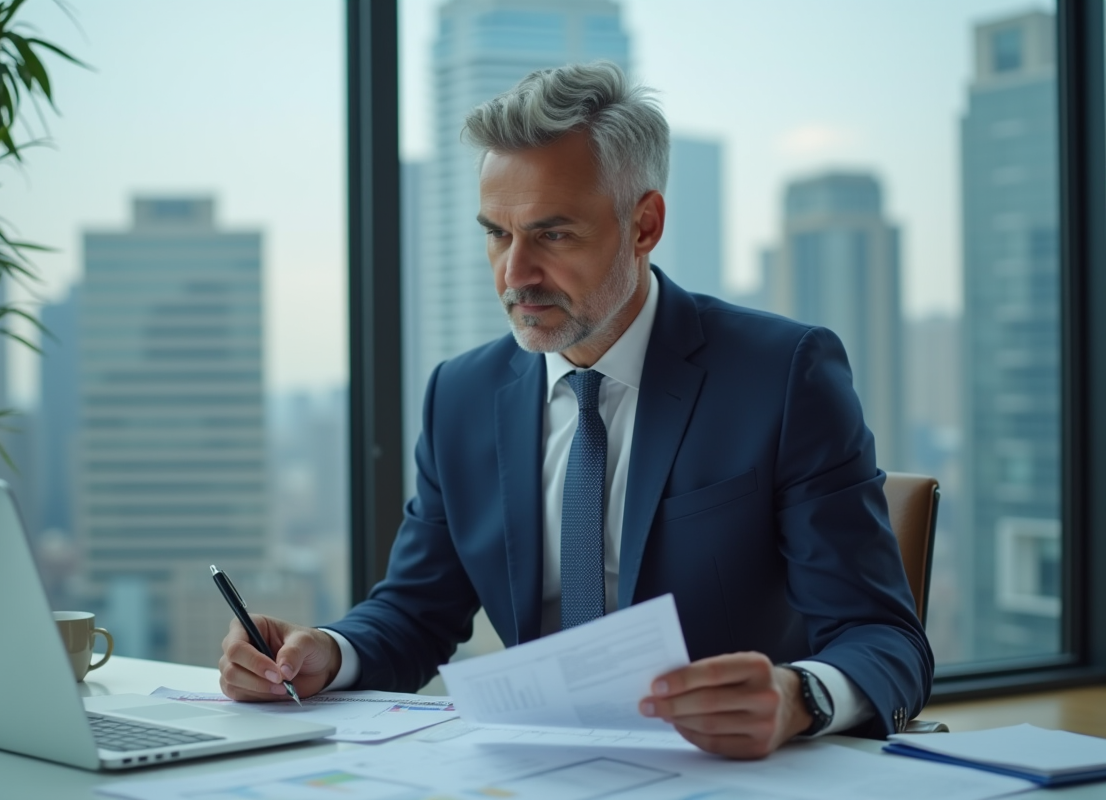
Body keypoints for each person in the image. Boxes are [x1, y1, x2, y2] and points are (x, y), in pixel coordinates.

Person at [219, 61, 933, 759]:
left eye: (552, 235)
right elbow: (414, 612)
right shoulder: (460, 395)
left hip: (725, 774)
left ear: (644, 224)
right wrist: (327, 653)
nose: (515, 274)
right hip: (539, 768)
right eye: (497, 234)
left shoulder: (781, 375)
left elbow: (885, 640)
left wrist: (797, 698)